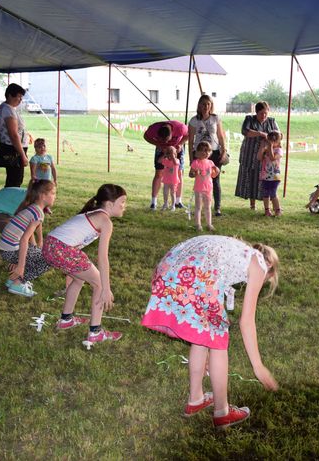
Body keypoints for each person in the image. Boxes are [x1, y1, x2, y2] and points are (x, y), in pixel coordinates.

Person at [141, 235, 280, 429]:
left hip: (168, 270)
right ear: (270, 270)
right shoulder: (259, 264)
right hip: (192, 277)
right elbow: (246, 322)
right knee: (217, 338)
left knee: (202, 336)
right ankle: (222, 412)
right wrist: (258, 367)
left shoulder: (236, 253)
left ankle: (195, 399)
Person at [42, 184, 127, 345]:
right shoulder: (105, 221)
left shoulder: (94, 214)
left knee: (79, 279)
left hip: (50, 246)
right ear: (109, 204)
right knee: (99, 285)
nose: (124, 206)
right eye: (122, 202)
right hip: (61, 248)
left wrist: (70, 270)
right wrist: (106, 288)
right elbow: (103, 258)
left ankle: (66, 319)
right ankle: (95, 332)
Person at [0, 180, 56, 297]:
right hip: (11, 250)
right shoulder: (38, 213)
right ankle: (18, 283)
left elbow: (27, 237)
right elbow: (24, 239)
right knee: (49, 258)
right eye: (53, 193)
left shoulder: (34, 208)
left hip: (6, 248)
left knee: (38, 253)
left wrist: (37, 245)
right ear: (43, 196)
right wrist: (21, 266)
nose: (55, 196)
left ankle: (13, 280)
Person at [235, 101, 281, 210]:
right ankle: (252, 205)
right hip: (249, 154)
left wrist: (272, 141)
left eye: (266, 113)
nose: (264, 116)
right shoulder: (249, 119)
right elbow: (245, 131)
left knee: (265, 181)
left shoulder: (272, 121)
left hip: (267, 158)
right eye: (261, 113)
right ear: (256, 112)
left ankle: (270, 206)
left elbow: (279, 135)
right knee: (251, 178)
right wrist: (261, 133)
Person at [188, 95, 227, 216]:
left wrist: (224, 151)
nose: (205, 107)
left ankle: (217, 207)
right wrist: (191, 158)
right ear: (199, 106)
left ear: (211, 106)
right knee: (201, 180)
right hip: (199, 154)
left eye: (208, 104)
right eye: (203, 104)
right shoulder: (194, 121)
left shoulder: (216, 119)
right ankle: (202, 206)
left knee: (215, 180)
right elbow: (190, 141)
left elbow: (221, 136)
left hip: (214, 152)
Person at [144, 120, 188, 210]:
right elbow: (146, 136)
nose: (166, 142)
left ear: (172, 133)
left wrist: (180, 144)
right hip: (161, 150)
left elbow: (189, 134)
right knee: (159, 173)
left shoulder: (180, 128)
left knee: (179, 173)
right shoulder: (154, 128)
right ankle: (153, 202)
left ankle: (177, 201)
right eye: (162, 140)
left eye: (167, 139)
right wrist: (158, 144)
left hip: (177, 149)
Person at [0, 83, 29, 187]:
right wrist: (22, 155)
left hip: (13, 148)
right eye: (18, 96)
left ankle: (9, 202)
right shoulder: (8, 110)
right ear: (9, 95)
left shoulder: (9, 108)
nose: (20, 99)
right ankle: (9, 202)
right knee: (14, 182)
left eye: (21, 97)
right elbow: (13, 134)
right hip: (13, 150)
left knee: (14, 180)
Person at [189, 141, 220, 232]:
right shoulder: (195, 163)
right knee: (198, 207)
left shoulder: (210, 163)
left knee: (208, 207)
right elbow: (190, 174)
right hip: (199, 189)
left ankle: (209, 224)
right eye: (203, 151)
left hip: (208, 188)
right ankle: (198, 224)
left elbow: (213, 175)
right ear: (197, 152)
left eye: (208, 151)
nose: (206, 153)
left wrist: (217, 171)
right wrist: (195, 173)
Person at [257, 130, 283, 217]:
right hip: (265, 176)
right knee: (265, 194)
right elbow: (259, 158)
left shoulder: (279, 150)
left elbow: (272, 158)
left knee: (273, 193)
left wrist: (270, 146)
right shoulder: (266, 149)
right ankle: (267, 210)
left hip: (274, 177)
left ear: (278, 141)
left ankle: (277, 210)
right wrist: (262, 147)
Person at [159, 146, 179, 211]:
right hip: (166, 180)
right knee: (165, 192)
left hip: (173, 180)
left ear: (175, 154)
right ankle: (165, 204)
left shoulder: (177, 160)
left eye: (172, 153)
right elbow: (159, 161)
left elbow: (175, 163)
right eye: (168, 153)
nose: (170, 155)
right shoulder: (166, 160)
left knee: (173, 193)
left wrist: (173, 156)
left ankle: (173, 205)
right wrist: (165, 155)